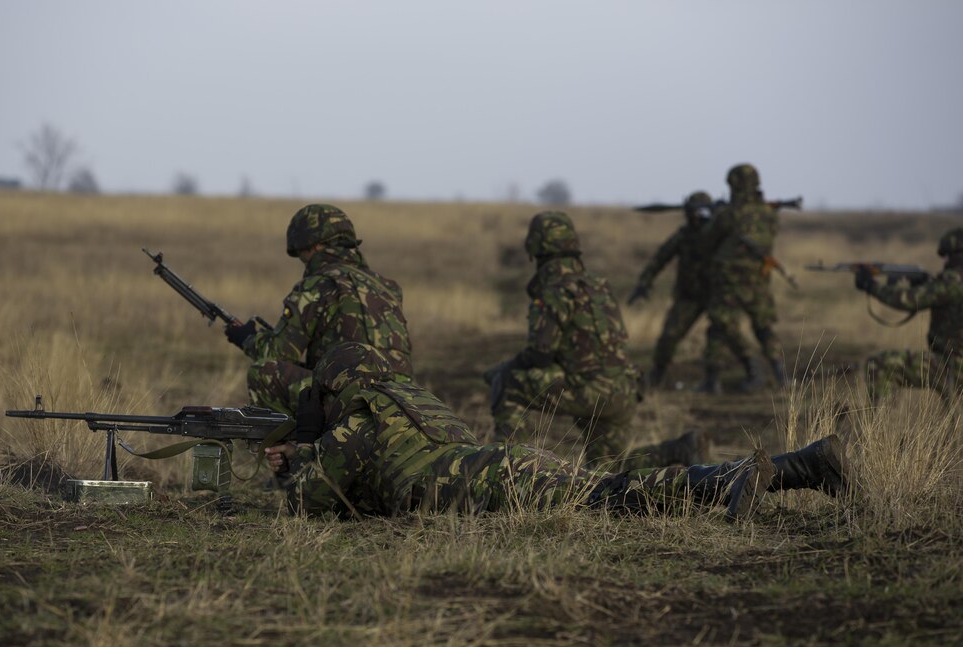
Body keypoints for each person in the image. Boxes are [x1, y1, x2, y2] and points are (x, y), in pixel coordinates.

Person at [265, 343, 848, 520]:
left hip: (496, 481)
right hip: (504, 465)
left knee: (615, 497)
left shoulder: (361, 422)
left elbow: (309, 503)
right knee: (614, 489)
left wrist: (289, 470)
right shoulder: (414, 405)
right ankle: (802, 465)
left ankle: (751, 475)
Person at [482, 211, 706, 469]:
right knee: (607, 470)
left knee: (508, 382)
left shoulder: (555, 289)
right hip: (623, 391)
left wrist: (505, 367)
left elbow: (540, 353)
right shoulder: (598, 285)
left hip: (590, 392)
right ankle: (676, 449)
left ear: (535, 247)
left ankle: (505, 468)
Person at [224, 203, 413, 416]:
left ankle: (290, 448)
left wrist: (247, 339)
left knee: (264, 373)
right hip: (402, 401)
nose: (303, 261)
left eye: (301, 254)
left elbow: (278, 353)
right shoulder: (387, 287)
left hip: (353, 400)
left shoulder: (317, 285)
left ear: (313, 246)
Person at [700, 164, 786, 393]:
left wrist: (714, 216)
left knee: (721, 326)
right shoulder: (769, 214)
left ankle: (720, 379)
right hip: (758, 277)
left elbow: (707, 240)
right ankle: (781, 376)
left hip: (729, 279)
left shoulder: (729, 214)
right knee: (764, 326)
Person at [855, 228, 963, 404]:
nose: (944, 262)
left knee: (879, 364)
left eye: (947, 257)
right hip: (954, 364)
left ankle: (879, 426)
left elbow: (905, 300)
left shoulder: (953, 282)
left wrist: (871, 285)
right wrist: (926, 285)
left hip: (954, 367)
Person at [628, 191, 718, 387]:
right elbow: (659, 259)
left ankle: (715, 379)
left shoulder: (719, 236)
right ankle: (656, 377)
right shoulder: (684, 236)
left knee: (720, 337)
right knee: (669, 336)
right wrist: (643, 284)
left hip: (716, 295)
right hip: (689, 296)